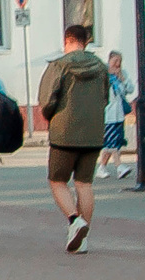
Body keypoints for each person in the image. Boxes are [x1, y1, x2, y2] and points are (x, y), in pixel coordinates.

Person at [38, 22, 109, 252]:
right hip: (93, 133)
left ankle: (74, 220)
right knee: (84, 183)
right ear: (86, 42)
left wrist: (51, 115)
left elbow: (47, 99)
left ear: (67, 40)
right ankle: (83, 239)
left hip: (64, 132)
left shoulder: (59, 65)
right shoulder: (101, 67)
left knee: (57, 180)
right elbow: (105, 98)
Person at [99, 50, 132, 178]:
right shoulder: (104, 74)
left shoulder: (122, 74)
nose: (118, 64)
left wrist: (122, 79)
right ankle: (119, 167)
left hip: (119, 114)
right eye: (115, 61)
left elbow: (129, 89)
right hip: (108, 115)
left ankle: (101, 168)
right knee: (112, 142)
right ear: (110, 60)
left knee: (114, 142)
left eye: (120, 61)